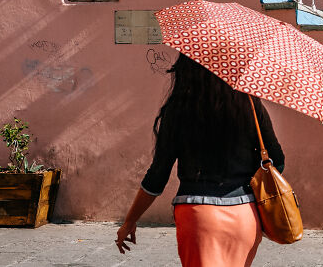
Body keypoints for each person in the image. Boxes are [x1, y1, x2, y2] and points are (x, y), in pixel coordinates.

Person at [115, 53, 285, 267]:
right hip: (244, 216)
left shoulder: (178, 110)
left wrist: (130, 221)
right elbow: (277, 161)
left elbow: (157, 176)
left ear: (187, 69)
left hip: (197, 216)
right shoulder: (249, 105)